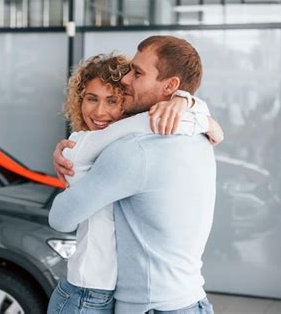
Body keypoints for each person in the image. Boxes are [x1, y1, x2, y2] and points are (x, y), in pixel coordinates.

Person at [49, 36, 218, 314]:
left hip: (147, 303)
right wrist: (190, 106)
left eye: (137, 74)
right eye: (91, 98)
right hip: (183, 299)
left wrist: (186, 104)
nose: (128, 79)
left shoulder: (134, 150)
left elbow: (60, 217)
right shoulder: (196, 135)